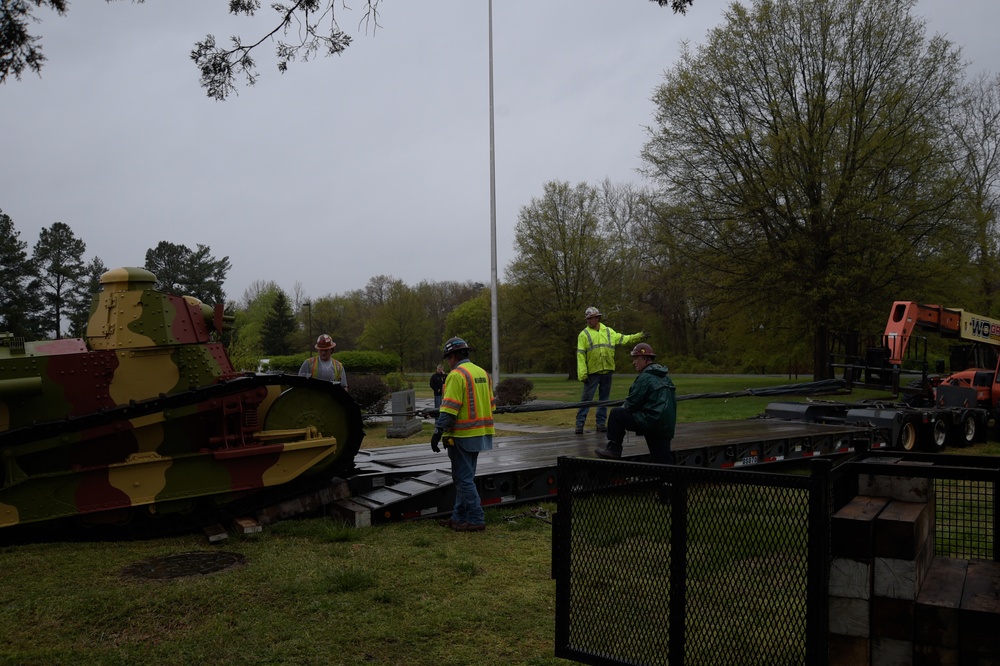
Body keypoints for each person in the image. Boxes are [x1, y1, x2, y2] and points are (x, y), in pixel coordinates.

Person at [430, 337, 496, 533]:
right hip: (481, 433)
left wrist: (437, 431)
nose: (448, 362)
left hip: (462, 435)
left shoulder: (456, 375)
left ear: (454, 356)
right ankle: (458, 518)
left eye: (448, 357)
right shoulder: (483, 373)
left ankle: (476, 519)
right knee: (464, 477)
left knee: (463, 479)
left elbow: (450, 410)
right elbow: (491, 405)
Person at [595, 343, 676, 464]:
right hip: (665, 424)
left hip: (650, 421)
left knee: (616, 414)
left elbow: (632, 404)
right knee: (663, 460)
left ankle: (614, 449)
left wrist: (626, 409)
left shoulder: (645, 377)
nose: (634, 362)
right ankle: (673, 482)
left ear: (645, 359)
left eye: (636, 359)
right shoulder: (665, 377)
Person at [575, 306, 646, 434]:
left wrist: (638, 336)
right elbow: (580, 355)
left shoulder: (608, 331)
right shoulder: (583, 335)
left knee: (604, 399)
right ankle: (580, 424)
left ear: (597, 318)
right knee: (586, 399)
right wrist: (583, 373)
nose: (589, 321)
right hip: (592, 373)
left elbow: (624, 339)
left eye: (591, 318)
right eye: (587, 319)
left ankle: (601, 423)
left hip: (607, 370)